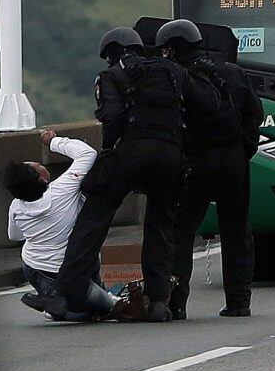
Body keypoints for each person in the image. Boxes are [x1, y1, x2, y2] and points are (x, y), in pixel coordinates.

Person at [34, 26, 217, 323]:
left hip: (131, 153)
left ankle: (65, 293)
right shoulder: (174, 71)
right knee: (160, 226)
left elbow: (113, 118)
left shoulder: (111, 76)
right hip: (171, 154)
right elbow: (207, 105)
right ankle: (158, 300)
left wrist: (107, 155)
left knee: (94, 218)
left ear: (113, 52)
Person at [157, 19, 263, 320]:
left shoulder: (175, 77)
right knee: (237, 231)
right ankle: (239, 302)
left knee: (181, 231)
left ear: (171, 49)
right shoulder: (231, 71)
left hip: (196, 161)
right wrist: (244, 149)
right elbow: (256, 112)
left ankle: (176, 303)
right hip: (233, 160)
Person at [5, 131, 118, 322]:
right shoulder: (63, 189)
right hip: (74, 269)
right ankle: (68, 308)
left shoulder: (16, 206)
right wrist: (53, 142)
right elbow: (87, 154)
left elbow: (14, 236)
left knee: (88, 304)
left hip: (36, 269)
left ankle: (57, 302)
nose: (41, 164)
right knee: (106, 309)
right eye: (38, 165)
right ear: (42, 179)